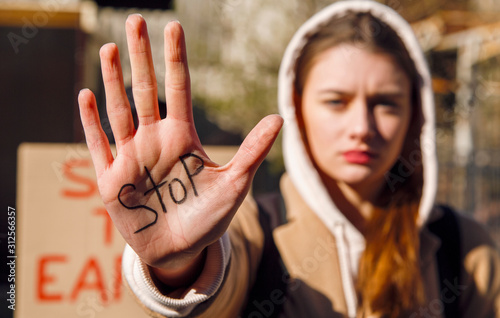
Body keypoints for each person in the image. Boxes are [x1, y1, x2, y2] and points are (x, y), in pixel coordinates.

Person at [78, 1, 500, 317]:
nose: (362, 126)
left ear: (416, 113)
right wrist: (179, 265)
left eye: (386, 103)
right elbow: (215, 294)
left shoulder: (465, 246)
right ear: (298, 109)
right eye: (336, 101)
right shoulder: (253, 230)